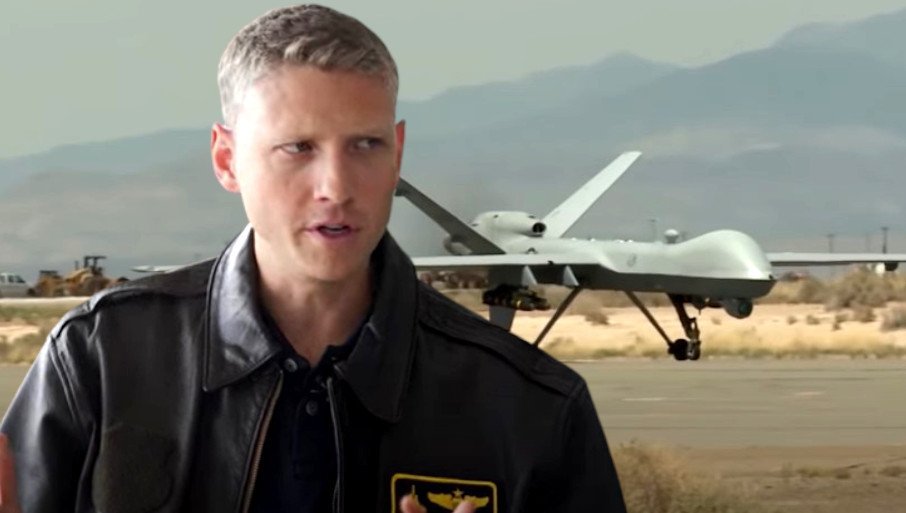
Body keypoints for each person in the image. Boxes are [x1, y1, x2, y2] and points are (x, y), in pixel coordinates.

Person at [0, 4, 626, 512]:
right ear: (226, 160)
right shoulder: (100, 360)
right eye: (298, 147)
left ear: (398, 153)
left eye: (365, 145)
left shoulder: (528, 408)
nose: (336, 186)